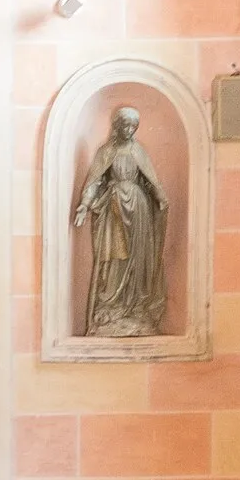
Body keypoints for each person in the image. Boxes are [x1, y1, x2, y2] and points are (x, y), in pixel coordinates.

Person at [74, 106, 169, 337]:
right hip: (115, 209)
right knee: (114, 257)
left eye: (132, 126)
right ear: (117, 126)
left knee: (138, 258)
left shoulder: (139, 152)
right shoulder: (106, 152)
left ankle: (135, 307)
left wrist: (160, 197)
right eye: (124, 125)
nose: (128, 130)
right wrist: (85, 204)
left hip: (139, 209)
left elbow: (151, 179)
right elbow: (94, 181)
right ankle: (110, 305)